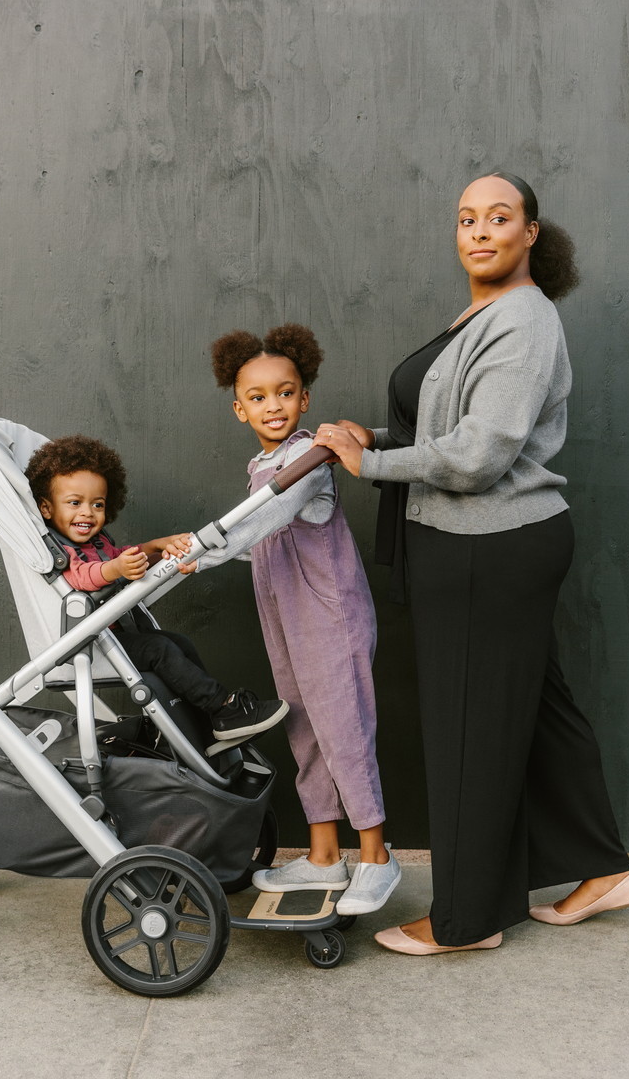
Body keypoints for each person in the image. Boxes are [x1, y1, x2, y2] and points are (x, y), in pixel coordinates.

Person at [313, 172, 629, 953]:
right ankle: (607, 870)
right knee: (537, 716)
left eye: (499, 217)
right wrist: (377, 441)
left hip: (487, 547)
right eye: (467, 219)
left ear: (531, 233)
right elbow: (457, 427)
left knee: (469, 729)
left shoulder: (523, 320)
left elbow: (479, 456)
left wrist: (373, 467)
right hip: (493, 544)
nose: (480, 231)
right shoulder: (488, 313)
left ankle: (465, 921)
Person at [179, 324, 399, 917]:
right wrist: (197, 554)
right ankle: (324, 855)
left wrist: (199, 551)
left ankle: (376, 856)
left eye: (284, 392)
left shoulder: (308, 458)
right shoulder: (262, 463)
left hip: (329, 615)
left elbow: (261, 521)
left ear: (304, 398)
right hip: (285, 616)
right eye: (257, 397)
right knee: (304, 728)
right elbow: (263, 541)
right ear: (239, 408)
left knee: (344, 729)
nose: (272, 405)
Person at [24, 434, 288, 743]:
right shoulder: (59, 550)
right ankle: (222, 708)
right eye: (74, 503)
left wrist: (154, 547)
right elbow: (82, 577)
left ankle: (210, 722)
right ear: (46, 508)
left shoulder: (98, 541)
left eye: (97, 504)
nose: (87, 512)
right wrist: (115, 569)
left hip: (115, 637)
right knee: (159, 650)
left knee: (178, 643)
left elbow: (123, 556)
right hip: (92, 646)